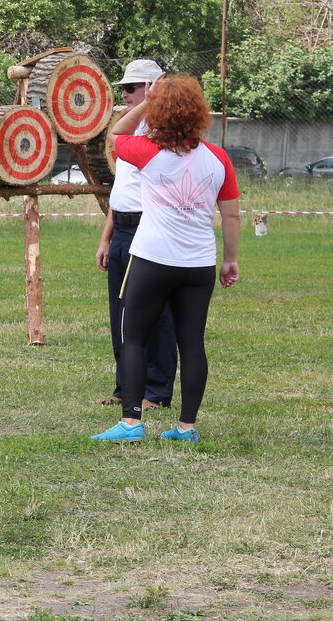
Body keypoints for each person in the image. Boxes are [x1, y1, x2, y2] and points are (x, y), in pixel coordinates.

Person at [91, 74, 240, 443]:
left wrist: (147, 100)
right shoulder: (219, 158)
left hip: (153, 259)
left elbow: (114, 135)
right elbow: (232, 215)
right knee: (191, 343)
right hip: (199, 264)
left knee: (135, 338)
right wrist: (230, 259)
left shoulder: (147, 150)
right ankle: (186, 427)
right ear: (198, 113)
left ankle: (130, 423)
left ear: (158, 112)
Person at [95, 59, 178, 410]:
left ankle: (156, 392)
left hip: (150, 226)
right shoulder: (128, 128)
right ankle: (126, 387)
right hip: (123, 228)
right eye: (124, 88)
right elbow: (122, 188)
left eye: (132, 88)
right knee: (121, 314)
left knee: (155, 313)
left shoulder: (165, 128)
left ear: (152, 89)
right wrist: (106, 236)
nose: (125, 94)